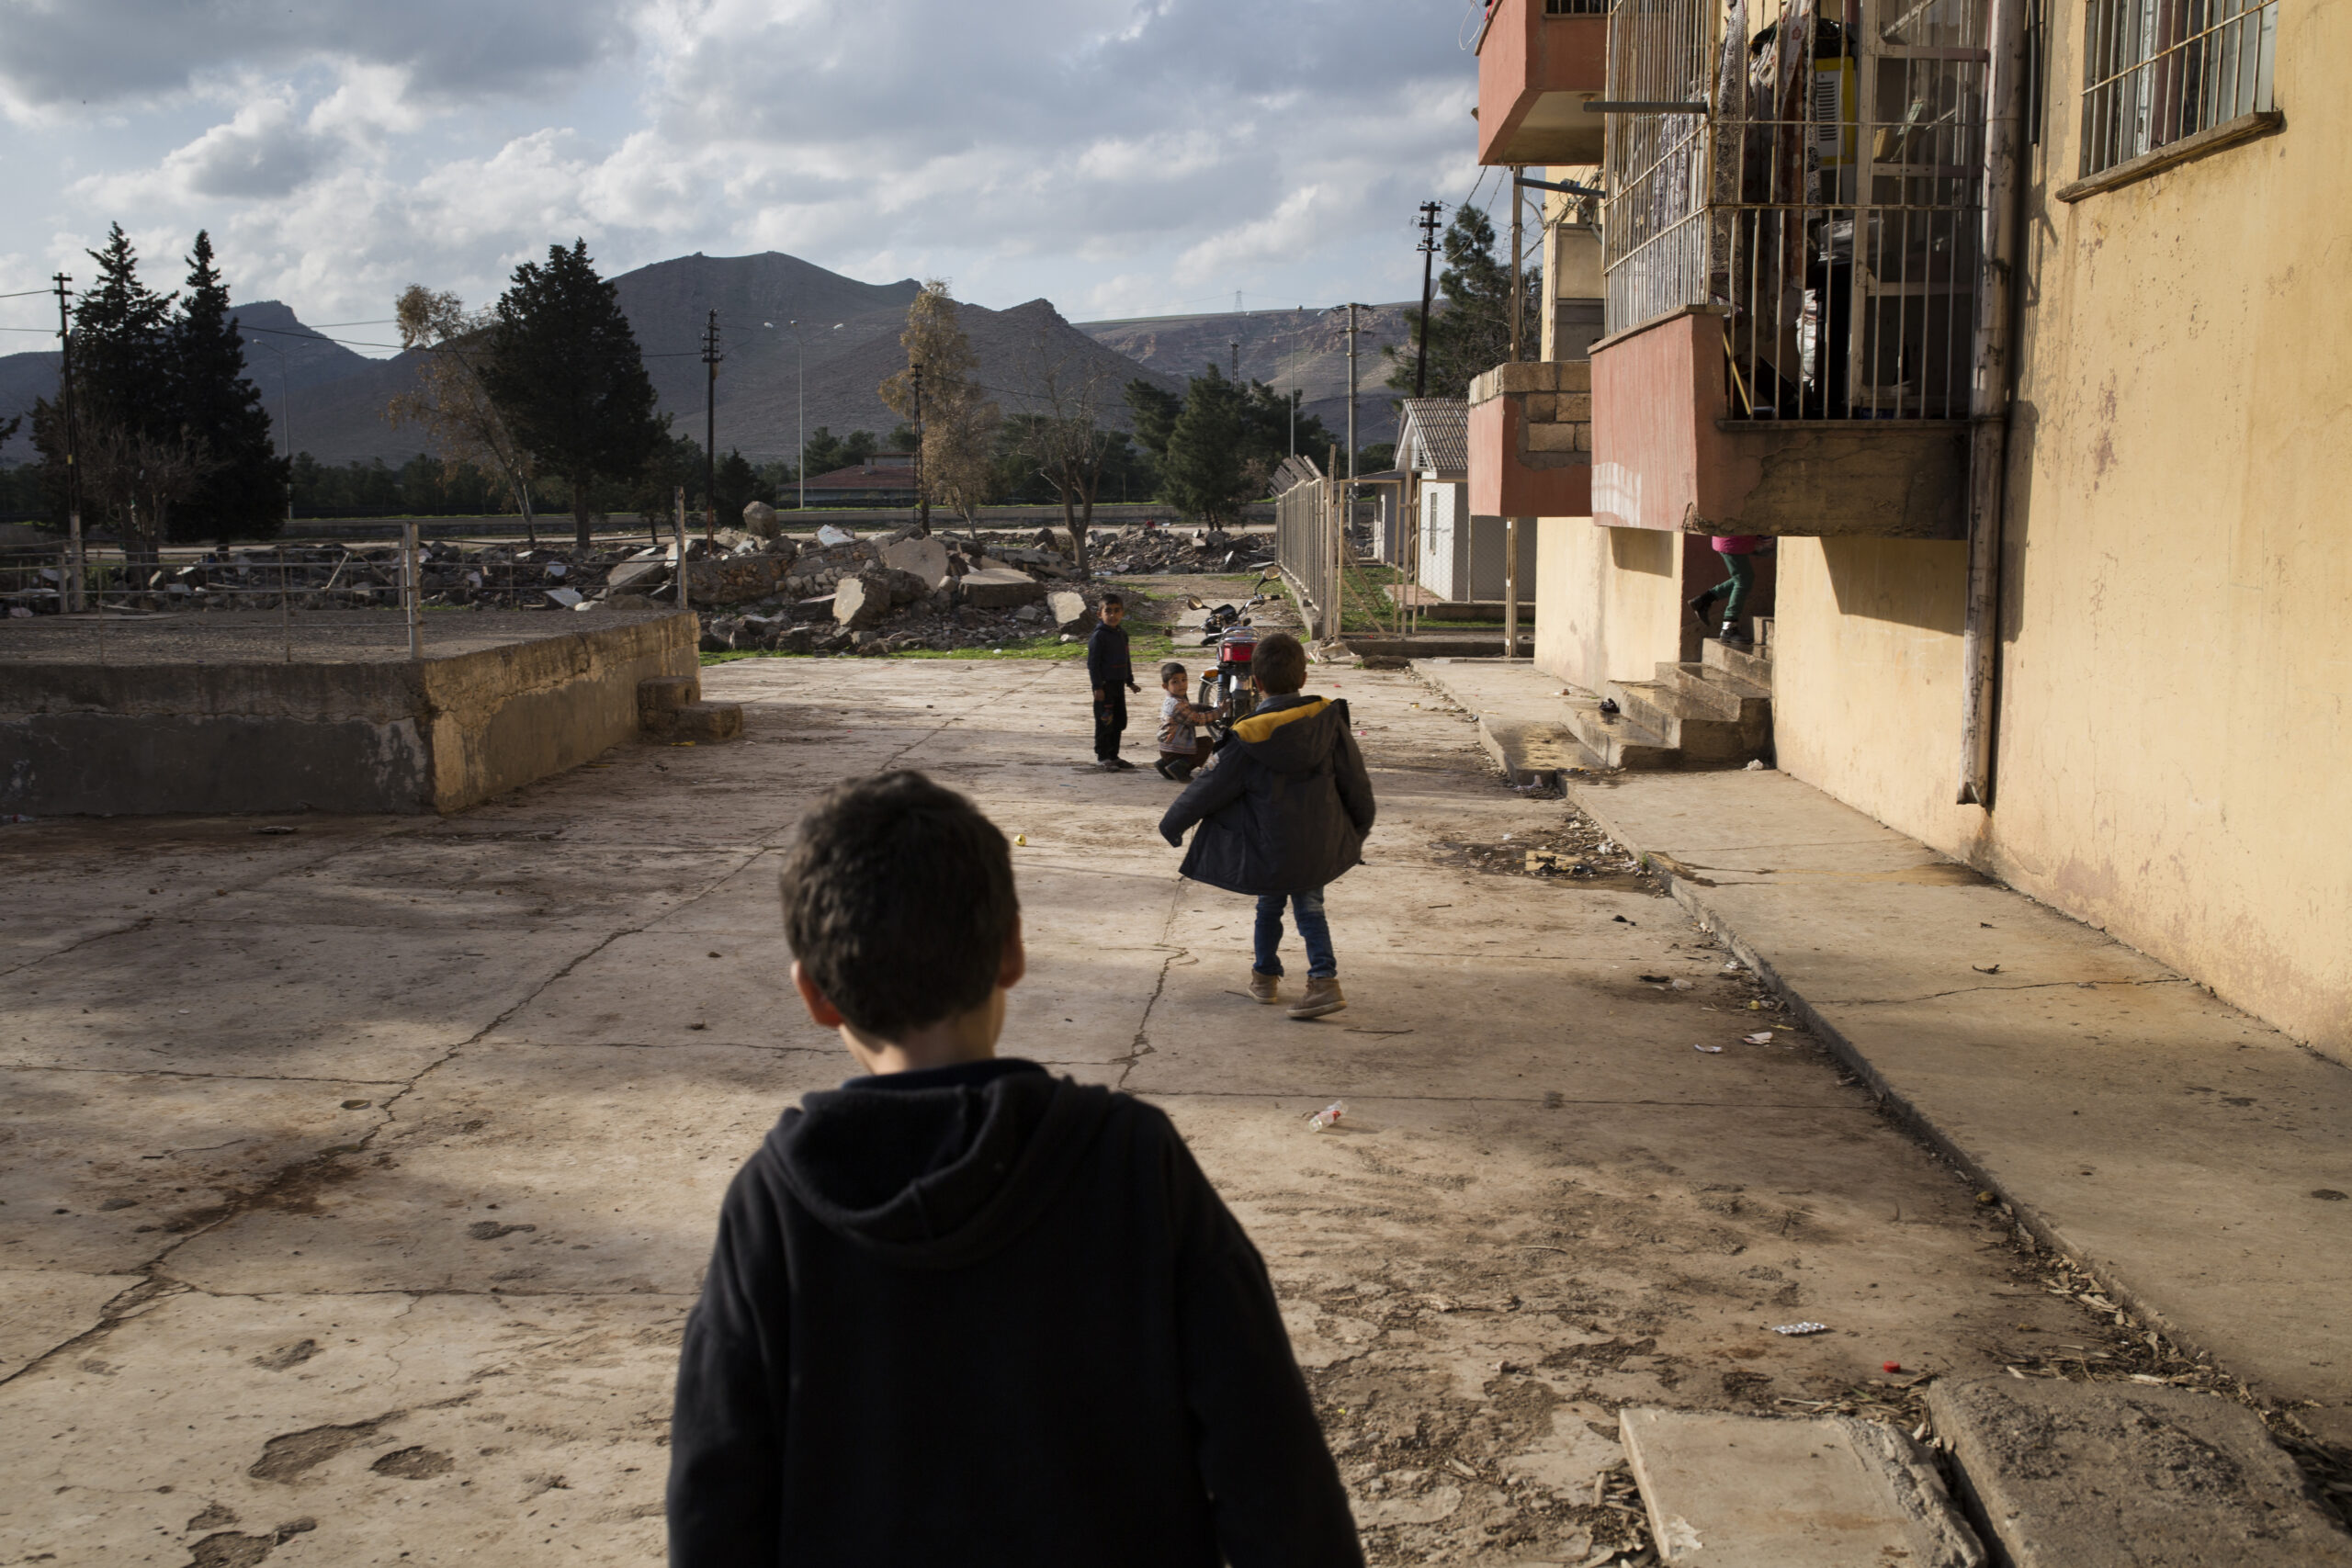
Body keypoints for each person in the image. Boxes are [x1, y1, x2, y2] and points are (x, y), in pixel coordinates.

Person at [666, 771, 1363, 1568]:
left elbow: (712, 1505)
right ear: (1012, 950)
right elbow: (1274, 1469)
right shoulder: (1132, 1162)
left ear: (816, 996)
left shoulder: (774, 1207)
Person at [1158, 631, 1374, 1021]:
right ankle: (1322, 979)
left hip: (1268, 847)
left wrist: (1173, 823)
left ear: (1256, 683)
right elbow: (1355, 779)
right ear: (1304, 677)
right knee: (1311, 908)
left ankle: (1265, 976)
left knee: (1268, 905)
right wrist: (1358, 828)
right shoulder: (1327, 719)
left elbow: (1210, 787)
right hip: (1316, 842)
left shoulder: (1247, 737)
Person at [1087, 592, 1141, 771]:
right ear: (1099, 614)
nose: (1112, 615)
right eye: (1108, 611)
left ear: (1122, 613)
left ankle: (1114, 756)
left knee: (1118, 722)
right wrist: (1097, 687)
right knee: (1105, 722)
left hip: (1118, 686)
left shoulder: (1122, 634)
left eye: (1116, 611)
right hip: (1105, 687)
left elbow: (1126, 659)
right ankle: (1103, 757)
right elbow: (1093, 664)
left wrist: (1130, 681)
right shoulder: (1099, 636)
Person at [1687, 535, 1769, 650]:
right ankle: (1729, 626)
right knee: (1743, 580)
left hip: (1732, 541)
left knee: (1743, 579)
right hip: (1733, 541)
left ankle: (1704, 601)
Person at [1153, 660, 1218, 782]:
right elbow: (1197, 720)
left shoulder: (1171, 700)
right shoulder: (1177, 705)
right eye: (1175, 682)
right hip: (1174, 752)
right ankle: (1179, 768)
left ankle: (1163, 764)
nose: (1181, 684)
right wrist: (1218, 713)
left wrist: (1204, 707)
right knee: (1206, 743)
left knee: (1195, 743)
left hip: (1166, 750)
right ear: (1165, 686)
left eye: (1184, 680)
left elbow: (1190, 708)